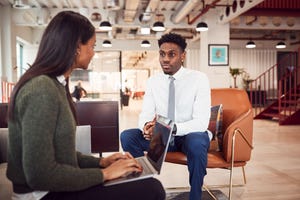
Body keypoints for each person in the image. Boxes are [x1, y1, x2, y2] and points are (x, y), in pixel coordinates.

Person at [6, 11, 165, 200]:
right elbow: (40, 175)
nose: (93, 52)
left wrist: (102, 162)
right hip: (41, 194)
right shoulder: (42, 89)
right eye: (92, 46)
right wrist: (105, 174)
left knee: (143, 183)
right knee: (151, 189)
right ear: (76, 48)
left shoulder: (56, 84)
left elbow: (61, 154)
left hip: (51, 189)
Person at [121, 33, 211, 200]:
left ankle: (196, 195)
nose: (165, 59)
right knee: (127, 136)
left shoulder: (199, 79)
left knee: (197, 141)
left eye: (172, 54)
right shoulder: (153, 82)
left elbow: (201, 122)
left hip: (188, 136)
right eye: (162, 54)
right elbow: (146, 113)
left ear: (183, 56)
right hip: (162, 137)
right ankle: (146, 187)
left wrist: (173, 128)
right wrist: (146, 126)